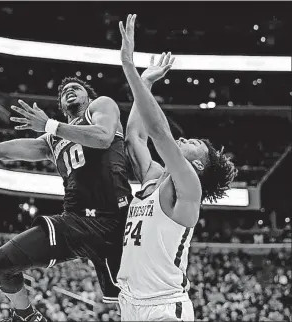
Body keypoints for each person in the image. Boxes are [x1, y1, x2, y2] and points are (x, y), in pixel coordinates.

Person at [0, 77, 132, 321]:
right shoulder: (51, 141)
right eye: (65, 91)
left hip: (117, 224)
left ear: (88, 96)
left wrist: (50, 125)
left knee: (132, 306)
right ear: (62, 107)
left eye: (75, 88)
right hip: (74, 221)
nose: (69, 91)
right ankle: (26, 316)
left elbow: (104, 137)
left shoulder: (101, 106)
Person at [116, 14, 237, 321]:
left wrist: (129, 67)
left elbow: (159, 134)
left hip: (165, 306)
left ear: (198, 163)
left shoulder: (188, 187)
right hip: (130, 303)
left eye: (194, 141)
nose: (185, 138)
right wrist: (145, 81)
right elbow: (134, 138)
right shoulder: (155, 178)